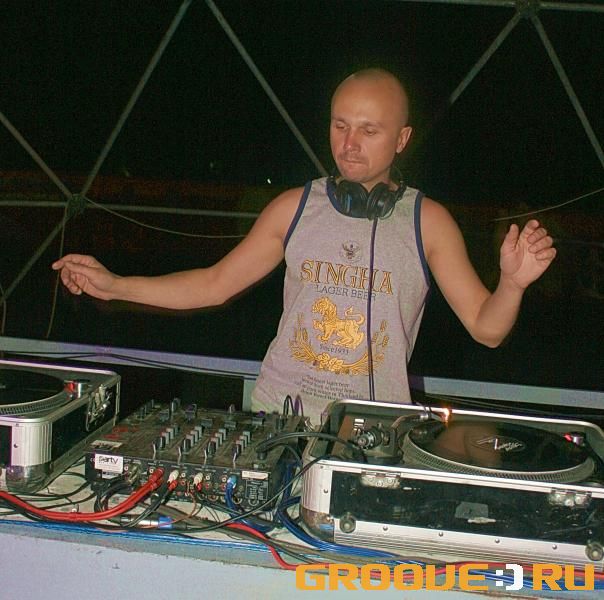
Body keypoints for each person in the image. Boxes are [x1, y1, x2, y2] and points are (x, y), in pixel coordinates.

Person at [52, 68, 556, 424]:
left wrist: (512, 284)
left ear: (402, 139)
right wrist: (115, 285)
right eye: (340, 125)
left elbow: (487, 329)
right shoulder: (293, 208)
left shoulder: (430, 223)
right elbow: (213, 284)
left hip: (371, 432)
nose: (349, 144)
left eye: (369, 130)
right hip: (278, 420)